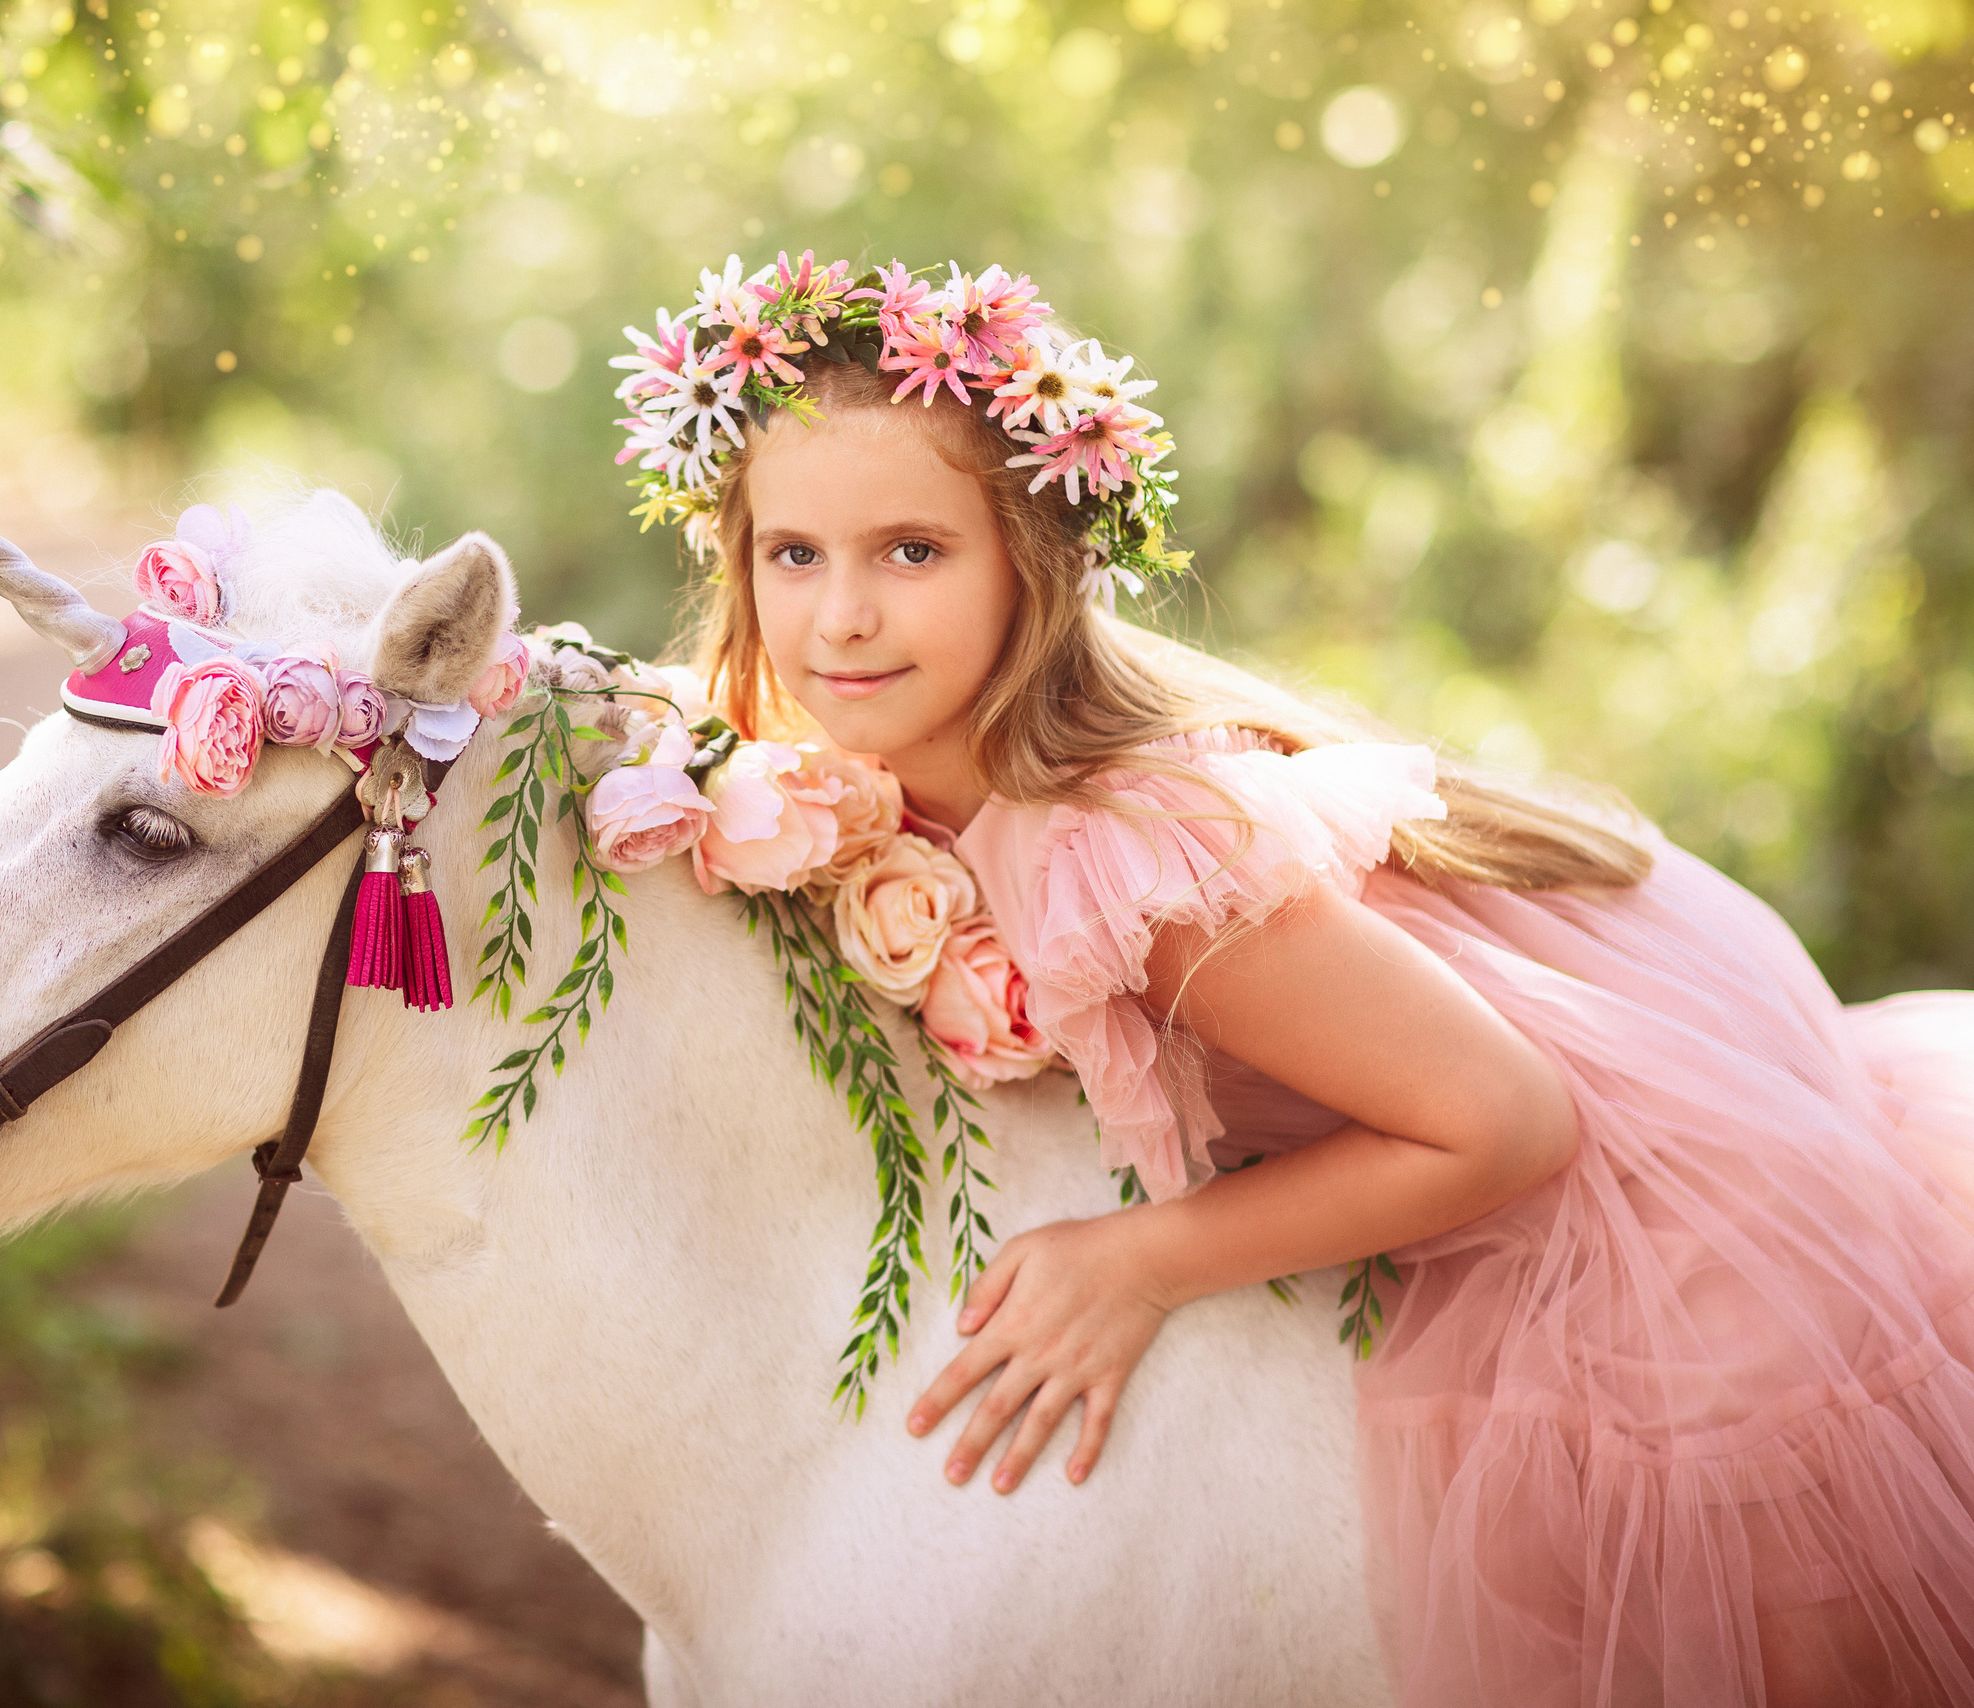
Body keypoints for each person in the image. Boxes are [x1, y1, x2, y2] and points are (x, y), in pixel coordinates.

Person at [613, 255, 1974, 1705]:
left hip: (1667, 1216)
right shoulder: (828, 777)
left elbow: (1508, 1124)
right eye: (793, 554)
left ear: (1033, 556)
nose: (841, 620)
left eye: (912, 552)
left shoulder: (1114, 851)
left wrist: (1141, 1262)